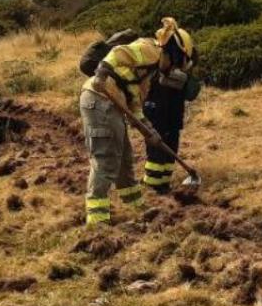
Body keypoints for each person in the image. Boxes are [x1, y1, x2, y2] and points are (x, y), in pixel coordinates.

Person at [80, 17, 196, 225]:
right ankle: (97, 221)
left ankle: (134, 203)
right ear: (173, 52)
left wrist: (148, 129)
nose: (172, 70)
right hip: (100, 99)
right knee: (106, 159)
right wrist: (101, 74)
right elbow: (117, 53)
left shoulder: (150, 72)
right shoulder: (151, 50)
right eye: (177, 63)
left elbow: (134, 103)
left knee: (124, 157)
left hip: (113, 103)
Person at [141, 58, 202, 194]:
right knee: (156, 151)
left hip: (172, 114)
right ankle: (152, 187)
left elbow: (191, 93)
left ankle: (164, 184)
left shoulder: (183, 64)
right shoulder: (156, 63)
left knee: (171, 149)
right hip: (157, 112)